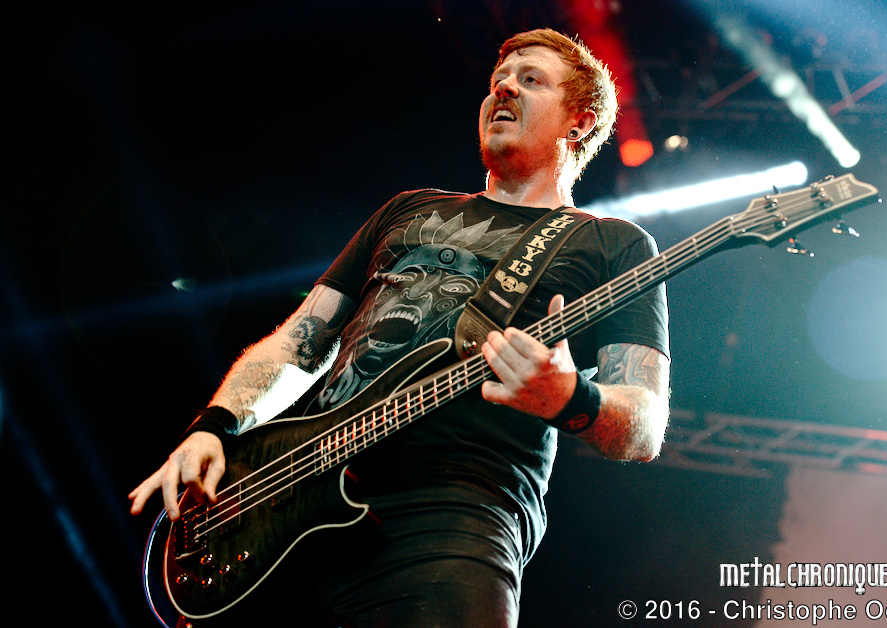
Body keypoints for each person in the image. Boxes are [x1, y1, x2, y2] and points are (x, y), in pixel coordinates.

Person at [130, 28, 670, 627]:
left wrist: (572, 398)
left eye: (530, 80)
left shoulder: (612, 245)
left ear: (579, 122)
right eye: (498, 80)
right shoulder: (408, 208)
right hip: (293, 500)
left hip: (455, 510)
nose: (504, 89)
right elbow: (299, 341)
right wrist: (216, 426)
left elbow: (644, 423)